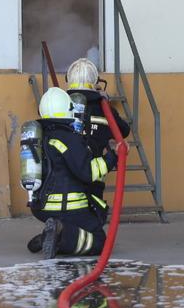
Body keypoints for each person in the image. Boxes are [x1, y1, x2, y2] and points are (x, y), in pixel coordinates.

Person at [26, 87, 118, 259]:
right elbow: (88, 172)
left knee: (78, 228)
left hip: (41, 207)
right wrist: (112, 157)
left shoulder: (40, 136)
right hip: (69, 207)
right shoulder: (69, 138)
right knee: (99, 241)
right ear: (68, 109)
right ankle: (60, 234)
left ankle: (53, 235)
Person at [65, 57, 131, 214]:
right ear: (95, 81)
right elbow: (124, 130)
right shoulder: (103, 109)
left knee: (67, 215)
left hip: (64, 176)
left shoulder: (61, 104)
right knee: (93, 219)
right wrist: (104, 101)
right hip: (94, 177)